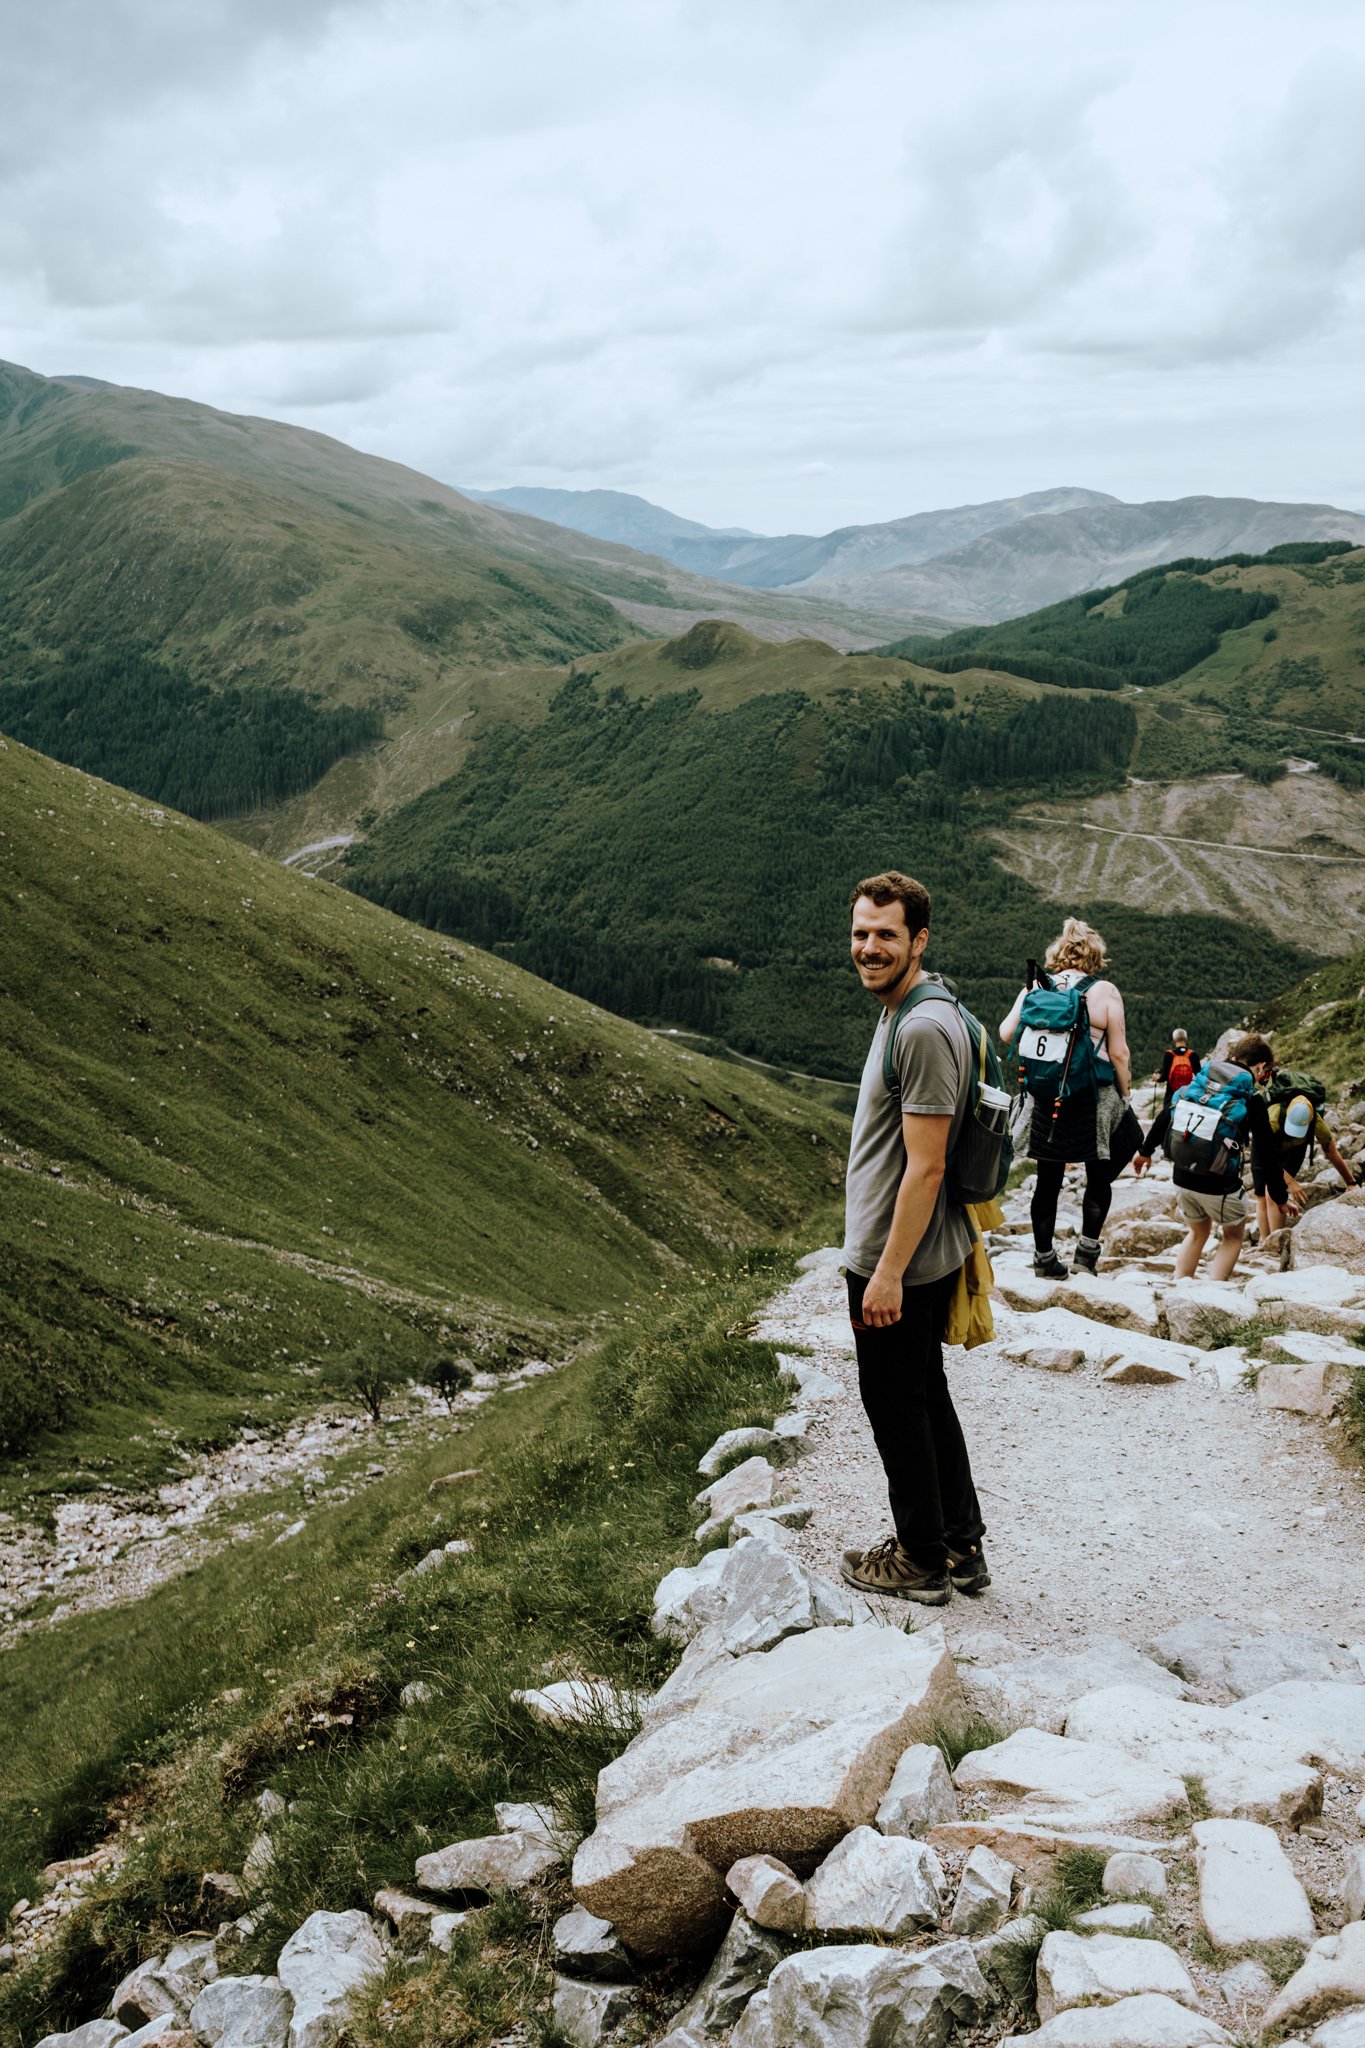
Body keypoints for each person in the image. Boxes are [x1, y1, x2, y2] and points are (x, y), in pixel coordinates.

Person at [840, 870, 988, 1607]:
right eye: (861, 933)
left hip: (896, 1255)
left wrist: (886, 1273)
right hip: (915, 1249)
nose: (868, 948)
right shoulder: (915, 1007)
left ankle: (920, 1559)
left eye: (885, 936)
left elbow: (925, 1168)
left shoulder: (923, 1028)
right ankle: (960, 1541)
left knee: (895, 1404)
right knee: (923, 1394)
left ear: (917, 939)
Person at [999, 918, 1134, 1279]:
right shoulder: (1105, 991)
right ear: (1094, 957)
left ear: (1058, 954)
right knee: (1099, 1175)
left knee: (1048, 1178)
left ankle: (1044, 1259)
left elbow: (1007, 1031)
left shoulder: (1036, 988)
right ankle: (1086, 1257)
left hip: (1046, 1097)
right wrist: (1125, 1092)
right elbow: (1119, 1053)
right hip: (1091, 1098)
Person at [1134, 1037, 1292, 1279]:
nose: (1265, 1078)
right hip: (1220, 1185)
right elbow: (1268, 1153)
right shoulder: (1251, 1100)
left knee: (1198, 1232)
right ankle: (1210, 1295)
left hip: (1182, 1177)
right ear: (1259, 1066)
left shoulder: (1199, 1085)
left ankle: (1179, 1284)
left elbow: (1166, 1115)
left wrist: (1145, 1153)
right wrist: (1280, 1197)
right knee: (1232, 1237)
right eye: (1266, 1072)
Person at [1231, 1034, 1357, 1239]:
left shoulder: (1316, 1121)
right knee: (1263, 1195)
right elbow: (1266, 1154)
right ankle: (1267, 1243)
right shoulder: (1273, 1117)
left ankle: (1276, 1240)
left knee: (1274, 1194)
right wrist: (1290, 1183)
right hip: (1266, 1148)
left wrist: (1350, 1181)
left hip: (1294, 1150)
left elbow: (1331, 1152)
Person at [1157, 1029, 1200, 1113]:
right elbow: (1199, 1077)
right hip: (1187, 1094)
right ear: (1186, 1039)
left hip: (1171, 1095)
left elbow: (1164, 1077)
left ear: (1174, 1039)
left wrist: (1157, 1078)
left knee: (1166, 1118)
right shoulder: (1193, 1055)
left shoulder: (1169, 1055)